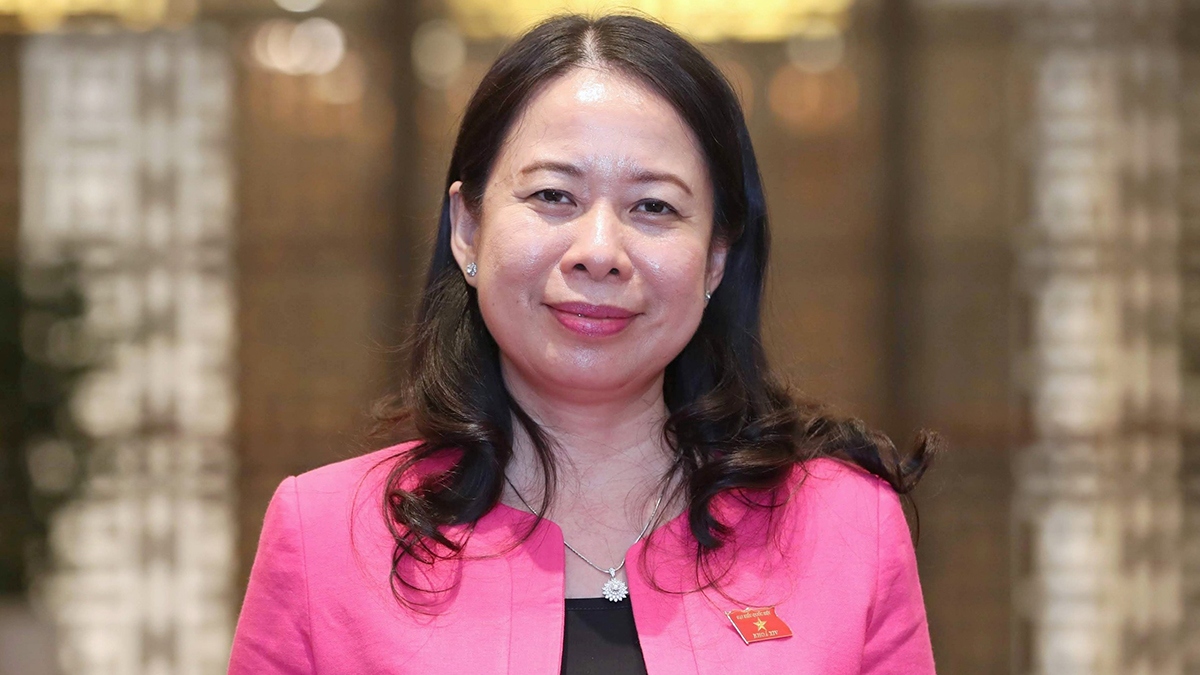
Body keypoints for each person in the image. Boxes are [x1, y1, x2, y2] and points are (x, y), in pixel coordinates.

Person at [229, 12, 939, 675]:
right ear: (467, 229)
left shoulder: (850, 529)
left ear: (715, 259)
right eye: (553, 196)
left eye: (654, 206)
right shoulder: (324, 535)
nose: (599, 251)